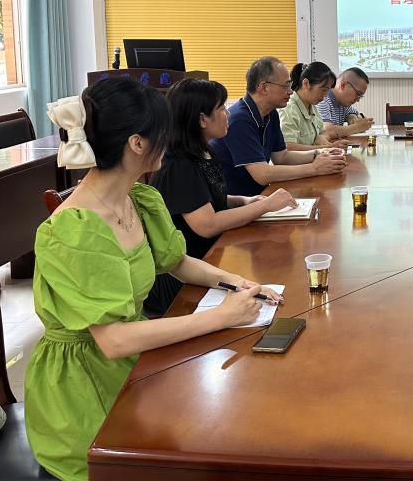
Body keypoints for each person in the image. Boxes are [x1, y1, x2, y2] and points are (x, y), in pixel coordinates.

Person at [24, 78, 281, 481]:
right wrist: (221, 317)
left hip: (131, 363)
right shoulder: (75, 230)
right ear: (137, 143)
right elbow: (114, 340)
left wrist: (237, 282)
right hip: (84, 389)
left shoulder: (138, 198)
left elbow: (177, 262)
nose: (171, 137)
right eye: (164, 130)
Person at [144, 78, 299, 316]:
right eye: (221, 108)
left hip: (210, 260)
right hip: (182, 275)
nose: (228, 114)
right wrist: (265, 205)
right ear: (202, 119)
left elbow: (212, 197)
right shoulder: (178, 164)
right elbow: (207, 225)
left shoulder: (204, 151)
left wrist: (244, 201)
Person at [210, 57, 347, 196]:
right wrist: (315, 168)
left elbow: (282, 157)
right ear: (264, 87)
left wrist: (320, 153)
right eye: (286, 86)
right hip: (238, 201)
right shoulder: (239, 119)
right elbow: (262, 174)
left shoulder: (271, 113)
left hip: (259, 195)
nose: (291, 91)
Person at [279, 61, 351, 150]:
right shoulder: (288, 110)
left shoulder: (311, 106)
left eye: (327, 91)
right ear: (306, 84)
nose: (325, 96)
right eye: (323, 90)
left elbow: (323, 132)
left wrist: (321, 137)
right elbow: (289, 147)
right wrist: (327, 148)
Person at [318, 67, 375, 140]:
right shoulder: (322, 99)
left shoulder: (343, 102)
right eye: (358, 94)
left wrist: (351, 116)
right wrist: (358, 127)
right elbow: (327, 130)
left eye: (360, 96)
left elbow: (354, 113)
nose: (358, 100)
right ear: (343, 85)